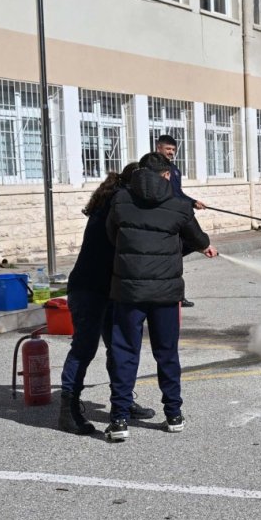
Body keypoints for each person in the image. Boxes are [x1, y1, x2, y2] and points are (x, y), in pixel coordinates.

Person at [104, 153, 218, 442]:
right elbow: (198, 238)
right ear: (166, 175)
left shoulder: (119, 200)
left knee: (124, 352)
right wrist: (206, 247)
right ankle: (173, 415)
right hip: (166, 294)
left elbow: (111, 236)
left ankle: (119, 419)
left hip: (128, 291)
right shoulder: (179, 205)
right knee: (166, 353)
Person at [57, 164, 155, 434]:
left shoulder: (121, 200)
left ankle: (122, 401)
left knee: (120, 348)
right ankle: (68, 410)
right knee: (84, 348)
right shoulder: (118, 205)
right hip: (89, 288)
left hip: (113, 289)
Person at [155, 134, 204, 307]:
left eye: (173, 150)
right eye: (168, 149)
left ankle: (178, 295)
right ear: (158, 148)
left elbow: (178, 193)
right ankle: (174, 295)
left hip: (175, 216)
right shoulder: (151, 168)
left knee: (184, 249)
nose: (171, 152)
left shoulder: (174, 170)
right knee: (174, 256)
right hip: (163, 218)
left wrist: (192, 202)